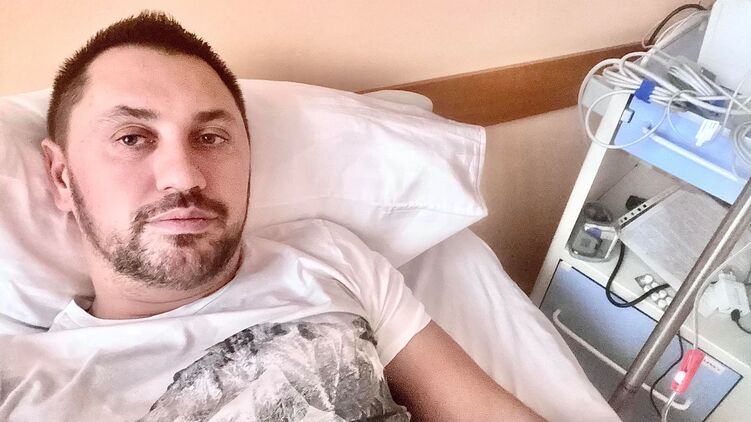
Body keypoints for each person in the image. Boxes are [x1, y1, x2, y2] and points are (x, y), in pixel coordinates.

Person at [0, 11, 544, 421]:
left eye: (211, 137)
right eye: (132, 138)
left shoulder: (330, 259)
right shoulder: (25, 383)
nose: (183, 176)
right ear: (62, 177)